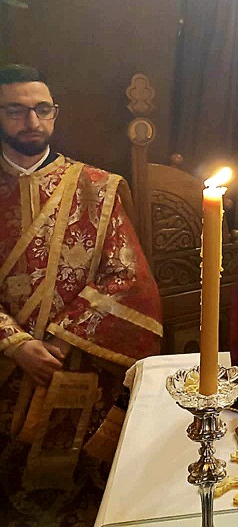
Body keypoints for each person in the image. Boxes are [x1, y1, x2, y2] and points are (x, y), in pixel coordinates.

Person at [0, 65, 161, 522]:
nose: (32, 121)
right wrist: (15, 344)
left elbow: (128, 279)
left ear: (55, 113)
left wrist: (61, 341)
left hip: (73, 368)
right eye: (15, 110)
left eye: (42, 109)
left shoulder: (95, 186)